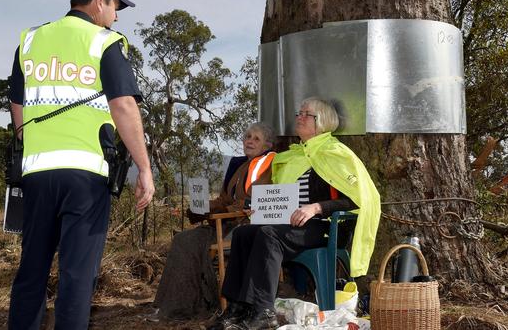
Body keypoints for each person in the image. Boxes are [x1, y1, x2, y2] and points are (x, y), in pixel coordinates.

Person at [7, 0, 155, 330]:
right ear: (99, 1)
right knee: (77, 275)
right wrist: (144, 169)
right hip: (85, 177)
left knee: (32, 271)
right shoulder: (105, 42)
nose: (117, 15)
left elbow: (17, 106)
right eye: (116, 6)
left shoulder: (30, 41)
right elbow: (123, 105)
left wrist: (37, 147)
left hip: (37, 174)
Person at [208, 98, 380, 330]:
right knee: (243, 234)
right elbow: (280, 196)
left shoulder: (337, 154)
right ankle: (237, 308)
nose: (298, 117)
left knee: (269, 235)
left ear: (321, 122)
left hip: (325, 226)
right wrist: (260, 207)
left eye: (305, 114)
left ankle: (263, 311)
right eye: (298, 112)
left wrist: (317, 207)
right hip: (291, 225)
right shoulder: (292, 156)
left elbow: (356, 198)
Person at [153, 122, 276, 320]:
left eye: (256, 138)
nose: (249, 141)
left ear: (267, 145)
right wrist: (201, 207)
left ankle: (190, 305)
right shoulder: (242, 166)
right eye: (247, 136)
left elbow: (251, 203)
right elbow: (225, 199)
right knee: (182, 239)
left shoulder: (269, 165)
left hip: (246, 226)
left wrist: (222, 210)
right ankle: (176, 305)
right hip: (226, 222)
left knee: (189, 242)